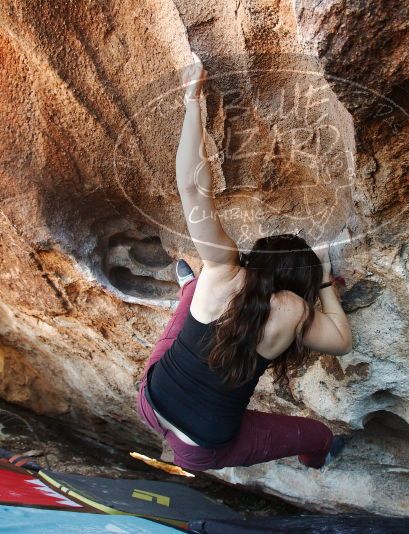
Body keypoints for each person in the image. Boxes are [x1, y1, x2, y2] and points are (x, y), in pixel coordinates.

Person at [135, 56, 353, 472]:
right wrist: (325, 284)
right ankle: (321, 455)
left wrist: (192, 101)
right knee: (317, 435)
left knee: (199, 293)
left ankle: (189, 290)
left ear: (257, 257)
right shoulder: (295, 310)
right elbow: (343, 340)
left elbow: (191, 187)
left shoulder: (225, 269)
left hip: (150, 399)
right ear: (301, 284)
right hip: (199, 449)